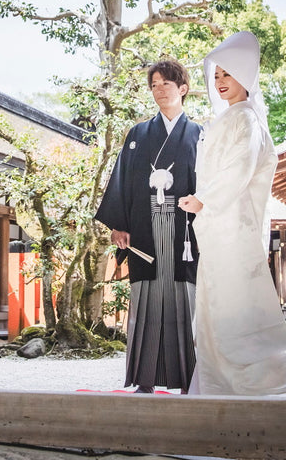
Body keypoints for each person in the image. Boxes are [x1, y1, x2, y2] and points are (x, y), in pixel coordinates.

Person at [178, 31, 286, 396]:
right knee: (217, 301)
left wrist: (204, 199)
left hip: (233, 225)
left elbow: (238, 167)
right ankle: (217, 383)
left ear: (245, 77)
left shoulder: (246, 119)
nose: (220, 83)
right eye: (216, 76)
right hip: (219, 227)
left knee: (235, 301)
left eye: (227, 75)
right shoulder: (230, 118)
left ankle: (261, 382)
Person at [95, 59, 201, 393]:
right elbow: (122, 180)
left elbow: (211, 181)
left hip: (186, 229)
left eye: (166, 84)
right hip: (144, 225)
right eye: (154, 85)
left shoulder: (199, 134)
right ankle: (144, 379)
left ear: (182, 89)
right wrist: (119, 224)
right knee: (147, 298)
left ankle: (188, 379)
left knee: (185, 297)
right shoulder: (138, 134)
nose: (159, 90)